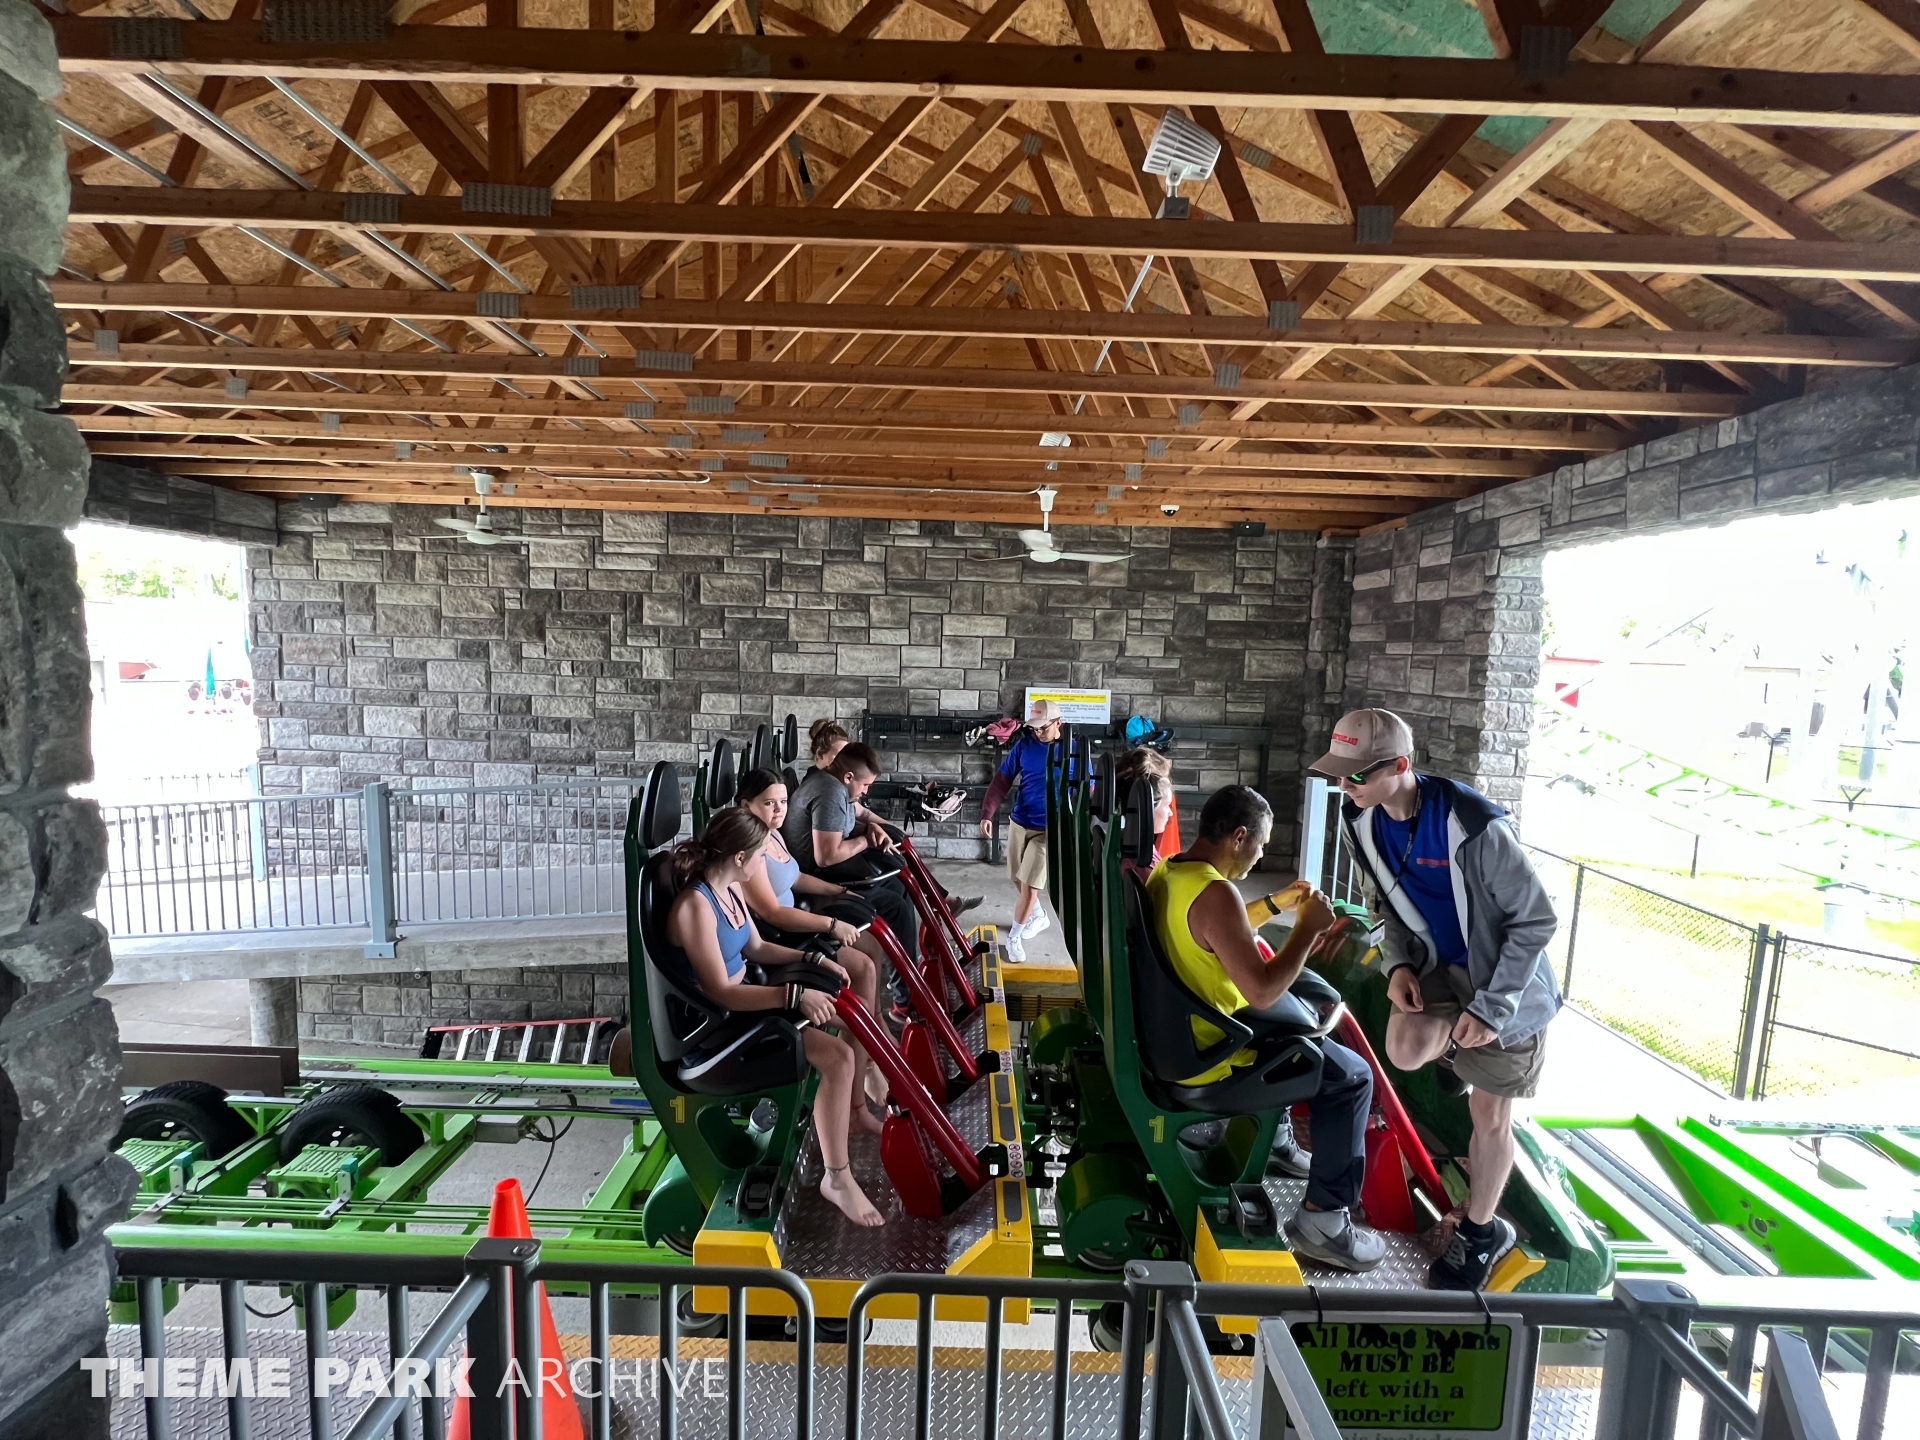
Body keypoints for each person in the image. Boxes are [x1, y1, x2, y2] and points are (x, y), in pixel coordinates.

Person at [1311, 708, 1560, 1290]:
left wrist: (1492, 1009)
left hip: (1504, 983)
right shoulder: (1362, 820)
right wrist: (1398, 964)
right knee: (1403, 1047)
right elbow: (1382, 904)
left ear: (1399, 766)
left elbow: (1536, 920)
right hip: (1440, 967)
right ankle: (1458, 1056)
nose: (1344, 785)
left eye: (1356, 775)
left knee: (1489, 1118)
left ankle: (1482, 1231)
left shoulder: (1475, 826)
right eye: (1338, 773)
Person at [1147, 785, 1385, 1272]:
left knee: (1303, 1013)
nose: (1260, 855)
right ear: (1239, 837)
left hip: (1188, 1030)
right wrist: (1308, 929)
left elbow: (1219, 930)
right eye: (1260, 844)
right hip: (1215, 1051)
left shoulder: (1171, 872)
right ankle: (1324, 1221)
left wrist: (1276, 904)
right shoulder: (1217, 893)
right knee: (1353, 1076)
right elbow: (1261, 991)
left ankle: (1274, 1139)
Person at [668, 808, 885, 1228]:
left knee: (856, 1016)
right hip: (720, 1026)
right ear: (739, 858)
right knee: (837, 1057)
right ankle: (837, 1179)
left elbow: (758, 949)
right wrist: (794, 996)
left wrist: (813, 959)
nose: (763, 864)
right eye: (760, 855)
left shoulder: (730, 887)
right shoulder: (696, 906)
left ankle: (854, 1110)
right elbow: (720, 991)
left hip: (749, 1001)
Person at [735, 767, 890, 1104]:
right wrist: (829, 925)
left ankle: (869, 1056)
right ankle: (862, 1078)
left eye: (783, 802)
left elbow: (795, 877)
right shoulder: (748, 851)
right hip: (784, 938)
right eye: (769, 803)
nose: (779, 810)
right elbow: (772, 913)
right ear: (746, 806)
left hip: (799, 929)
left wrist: (839, 891)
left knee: (872, 950)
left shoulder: (773, 835)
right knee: (861, 973)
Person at [784, 742, 923, 1014]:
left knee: (900, 885)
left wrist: (869, 828)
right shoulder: (830, 792)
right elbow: (826, 856)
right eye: (865, 785)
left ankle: (908, 983)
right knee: (896, 906)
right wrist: (865, 840)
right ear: (848, 777)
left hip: (830, 872)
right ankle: (907, 1000)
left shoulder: (833, 785)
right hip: (818, 884)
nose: (866, 791)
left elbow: (838, 827)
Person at [807, 718, 982, 920]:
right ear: (820, 755)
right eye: (839, 755)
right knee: (898, 861)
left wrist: (892, 829)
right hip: (830, 866)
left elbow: (861, 813)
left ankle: (942, 901)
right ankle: (943, 902)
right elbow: (828, 851)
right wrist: (868, 838)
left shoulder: (837, 785)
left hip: (842, 849)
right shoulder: (828, 788)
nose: (845, 760)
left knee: (900, 846)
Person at [976, 700, 1066, 962]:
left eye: (1043, 728)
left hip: (1049, 830)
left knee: (1029, 886)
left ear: (1058, 723)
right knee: (1017, 877)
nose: (1038, 733)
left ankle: (1013, 938)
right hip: (1020, 822)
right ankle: (1038, 916)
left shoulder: (1072, 751)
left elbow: (1089, 791)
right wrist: (987, 813)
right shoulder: (1024, 746)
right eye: (1034, 728)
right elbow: (1002, 780)